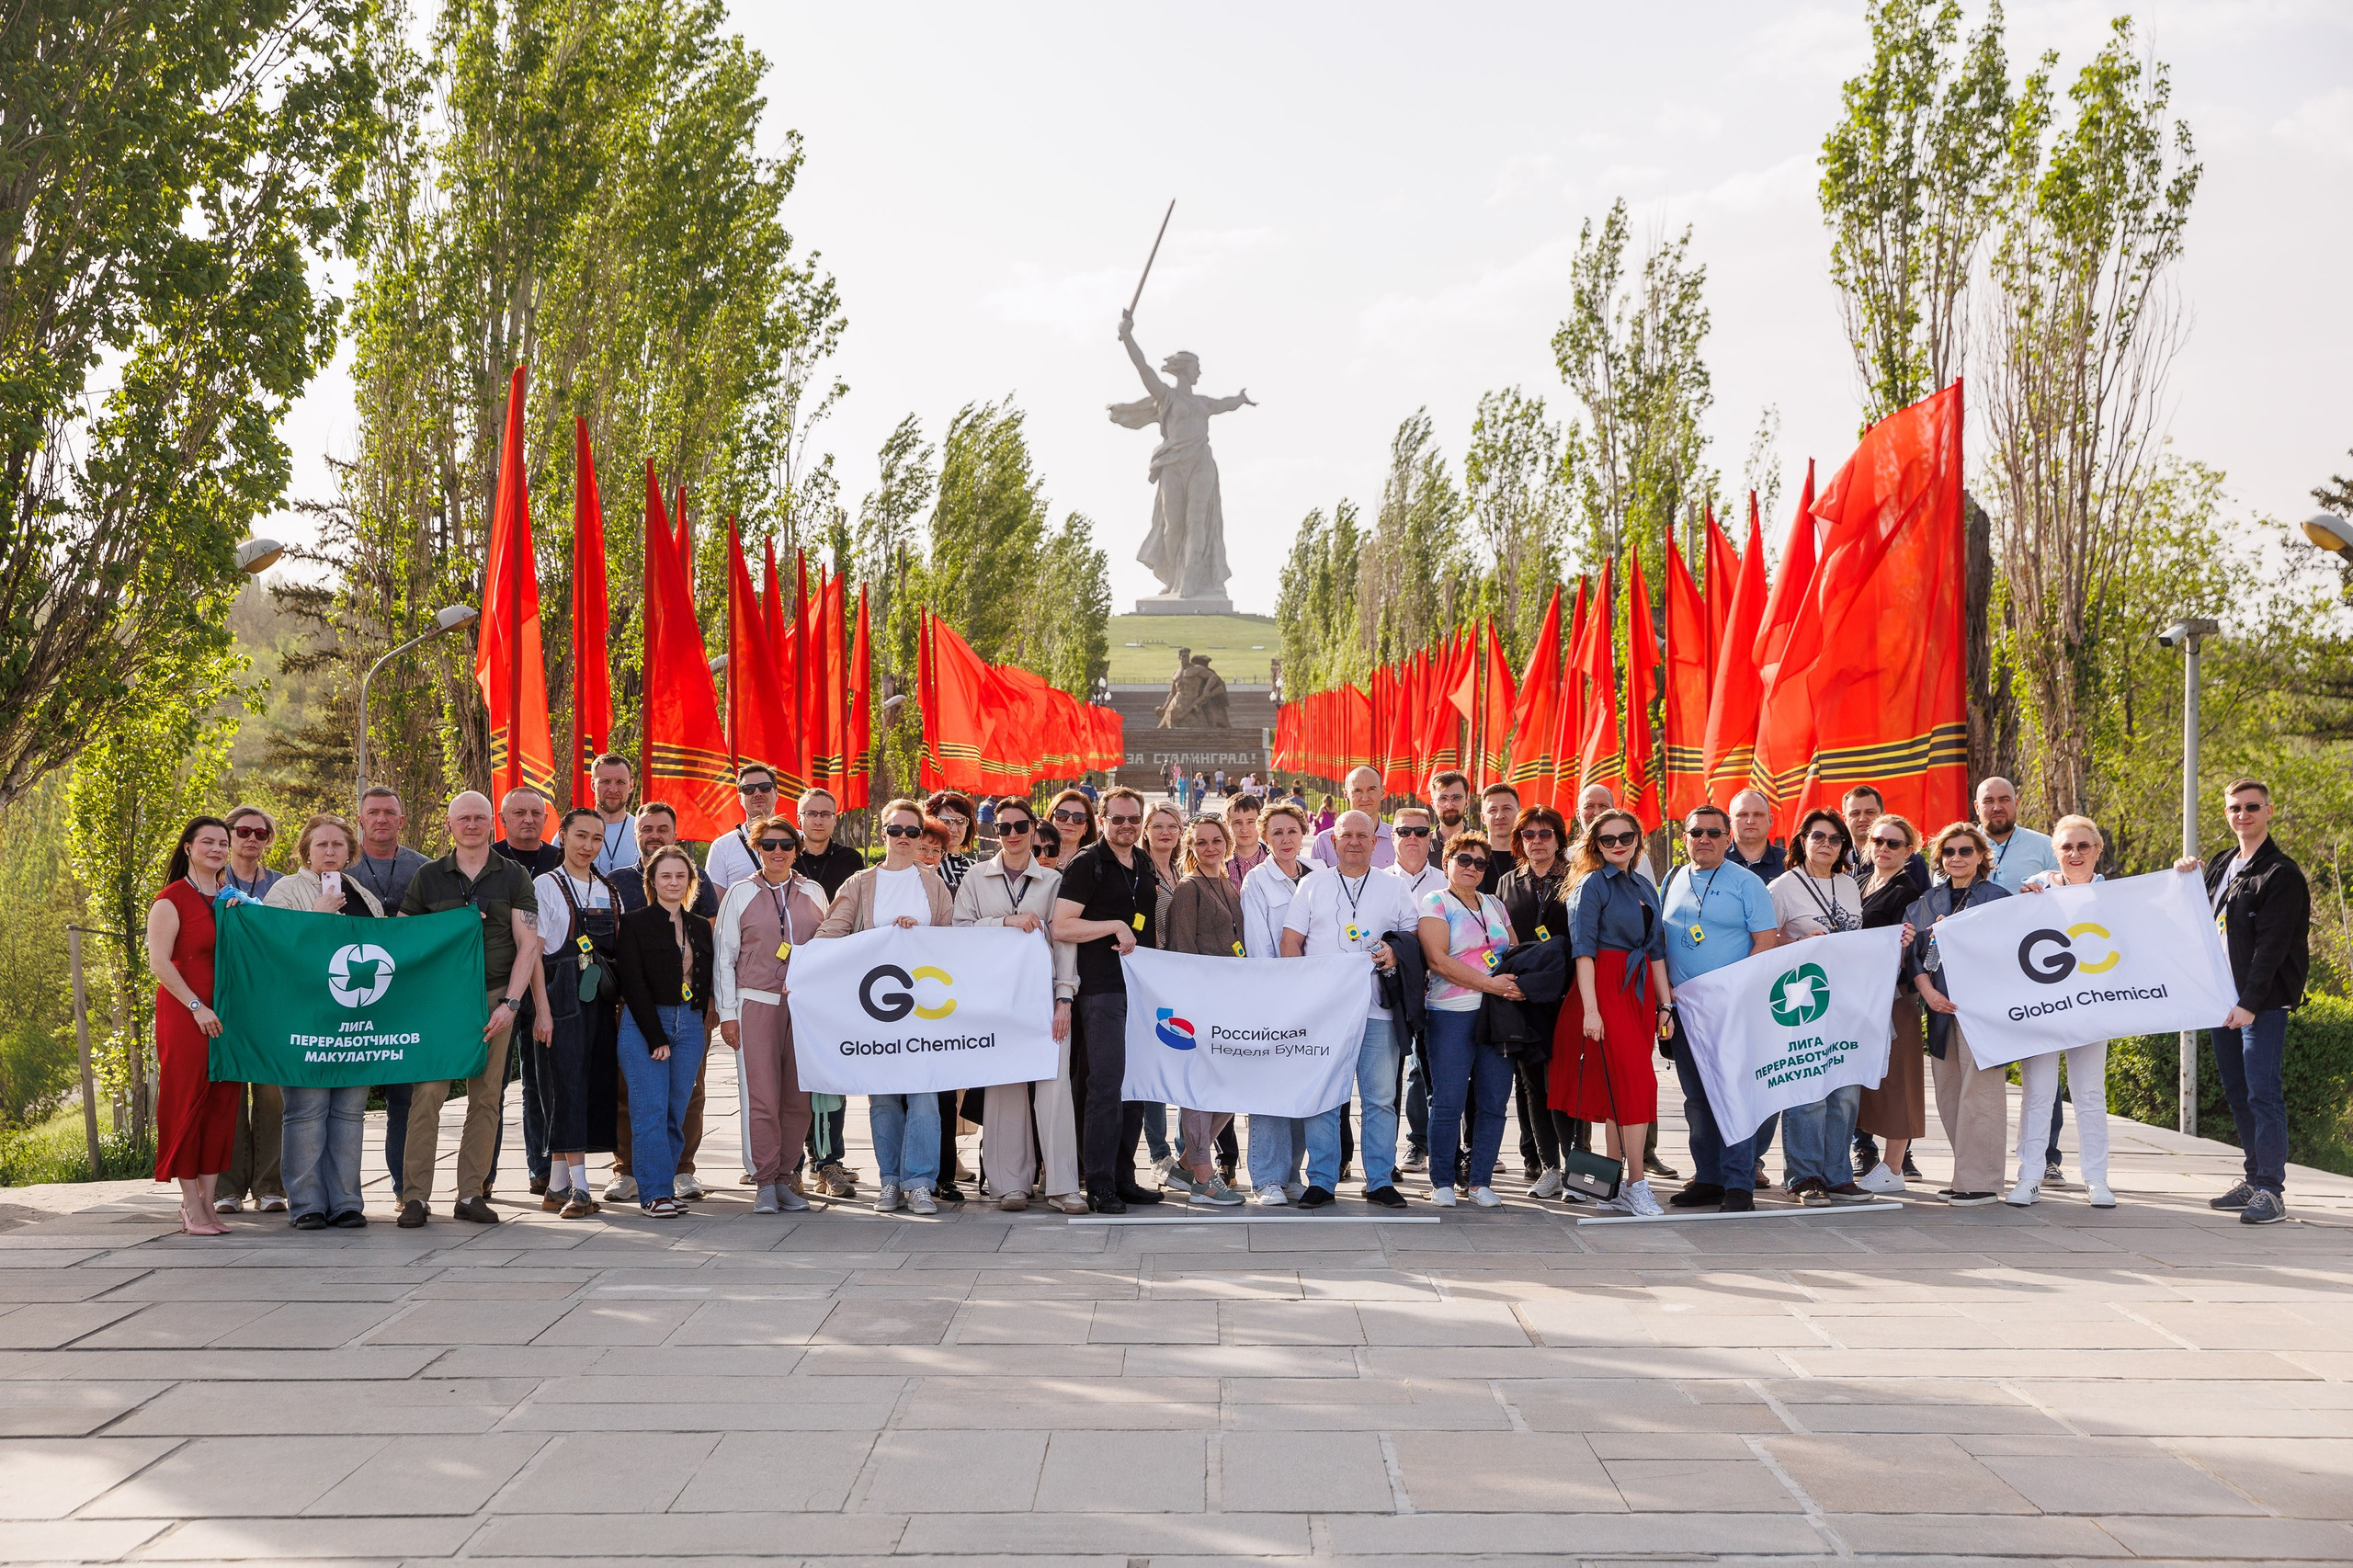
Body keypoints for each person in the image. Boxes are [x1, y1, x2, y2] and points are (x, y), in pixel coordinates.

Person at [395, 791, 543, 1228]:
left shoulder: (514, 876)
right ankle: (415, 1197)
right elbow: (405, 940)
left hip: (495, 998)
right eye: (464, 818)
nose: (473, 825)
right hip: (441, 1006)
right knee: (427, 1097)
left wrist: (512, 1004)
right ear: (450, 824)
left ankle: (470, 1194)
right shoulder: (428, 877)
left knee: (486, 1099)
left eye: (480, 818)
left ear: (492, 823)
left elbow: (528, 944)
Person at [814, 799, 956, 1214]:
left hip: (927, 1012)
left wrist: (920, 938)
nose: (905, 839)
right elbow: (832, 932)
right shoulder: (859, 883)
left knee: (926, 1097)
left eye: (913, 832)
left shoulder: (934, 884)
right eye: (896, 830)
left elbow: (954, 941)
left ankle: (920, 1182)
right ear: (883, 833)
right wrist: (799, 965)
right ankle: (890, 1181)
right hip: (877, 1013)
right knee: (885, 1099)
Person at [2185, 778, 2309, 1226]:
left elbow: (2272, 948)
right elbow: (2194, 916)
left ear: (2269, 811)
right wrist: (2185, 878)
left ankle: (2271, 1191)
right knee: (2238, 1093)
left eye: (2252, 807)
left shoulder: (2281, 874)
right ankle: (2254, 1176)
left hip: (2261, 1003)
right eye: (2235, 808)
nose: (2243, 815)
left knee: (2263, 1094)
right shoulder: (2221, 864)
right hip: (2221, 1000)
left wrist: (2251, 1003)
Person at [953, 797, 1085, 1215]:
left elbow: (1064, 943)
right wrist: (1004, 922)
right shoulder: (976, 878)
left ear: (1033, 829)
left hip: (1043, 999)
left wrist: (1064, 998)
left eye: (1020, 826)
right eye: (1004, 827)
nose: (1012, 834)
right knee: (1004, 1088)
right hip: (995, 1000)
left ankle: (1062, 1184)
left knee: (1054, 1089)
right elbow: (960, 933)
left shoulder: (1053, 881)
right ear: (995, 831)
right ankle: (1010, 1184)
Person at [1283, 810, 1418, 1210]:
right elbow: (1291, 942)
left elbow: (1413, 936)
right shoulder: (1312, 884)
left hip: (1377, 1010)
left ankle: (1379, 1180)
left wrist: (1396, 950)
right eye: (1347, 836)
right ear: (1333, 841)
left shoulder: (1394, 888)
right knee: (1324, 1096)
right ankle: (1322, 1180)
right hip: (1325, 1013)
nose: (1355, 842)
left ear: (1375, 842)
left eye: (1363, 835)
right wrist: (1302, 998)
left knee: (1379, 1098)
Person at [262, 813, 383, 1230]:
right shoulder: (284, 891)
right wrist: (320, 913)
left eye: (337, 845)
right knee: (306, 1110)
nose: (330, 852)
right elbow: (279, 951)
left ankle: (347, 1201)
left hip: (354, 1023)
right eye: (321, 845)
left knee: (349, 1113)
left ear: (350, 852)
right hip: (307, 1022)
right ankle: (307, 1203)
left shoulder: (365, 896)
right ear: (306, 852)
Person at [1658, 804, 1780, 1212]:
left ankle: (1739, 1183)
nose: (1705, 840)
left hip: (1732, 1009)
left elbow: (1765, 942)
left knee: (1734, 1095)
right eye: (1696, 833)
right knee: (1696, 1099)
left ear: (1728, 838)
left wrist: (1738, 992)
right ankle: (1707, 1178)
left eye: (1713, 833)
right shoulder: (1673, 878)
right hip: (1686, 1009)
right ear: (1686, 838)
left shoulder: (1747, 883)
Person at [1051, 787, 1164, 1213]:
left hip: (1139, 989)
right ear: (1103, 819)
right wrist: (1113, 923)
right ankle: (1098, 1183)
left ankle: (1123, 1177)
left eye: (1134, 819)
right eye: (1118, 819)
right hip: (1100, 989)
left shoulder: (1143, 862)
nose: (1127, 826)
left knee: (1133, 1086)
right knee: (1105, 1085)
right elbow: (1061, 926)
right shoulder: (1086, 864)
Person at [1559, 808, 1672, 1217]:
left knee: (1621, 1087)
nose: (1619, 845)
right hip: (1606, 987)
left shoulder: (1644, 883)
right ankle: (1636, 1183)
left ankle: (1611, 1185)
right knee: (1637, 1085)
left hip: (1640, 992)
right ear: (1595, 844)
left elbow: (1656, 949)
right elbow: (1582, 952)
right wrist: (1591, 1010)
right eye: (1608, 839)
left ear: (1637, 840)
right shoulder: (1590, 885)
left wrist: (1665, 1004)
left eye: (1626, 837)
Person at [715, 815, 828, 1214]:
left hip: (803, 1008)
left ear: (796, 849)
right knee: (762, 1095)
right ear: (757, 849)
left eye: (785, 844)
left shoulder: (813, 891)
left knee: (798, 1098)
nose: (777, 851)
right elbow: (725, 957)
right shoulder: (740, 893)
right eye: (768, 845)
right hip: (755, 1003)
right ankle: (763, 1181)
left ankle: (785, 1178)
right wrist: (728, 1013)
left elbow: (829, 949)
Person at [1768, 809, 1874, 1205]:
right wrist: (1795, 945)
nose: (1826, 844)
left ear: (1844, 846)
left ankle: (1838, 1175)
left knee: (1845, 1090)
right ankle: (1804, 1175)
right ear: (1802, 841)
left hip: (1845, 1000)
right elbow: (1763, 943)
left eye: (1834, 839)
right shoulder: (1782, 887)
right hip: (1804, 1000)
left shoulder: (1849, 886)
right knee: (1808, 1089)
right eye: (1818, 837)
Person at [2011, 814, 2116, 1210]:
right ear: (2055, 852)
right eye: (2067, 847)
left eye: (2083, 846)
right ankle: (2029, 1177)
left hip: (2091, 1009)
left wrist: (2184, 874)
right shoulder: (2036, 888)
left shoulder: (2116, 894)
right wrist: (2024, 902)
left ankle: (2096, 1178)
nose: (2075, 854)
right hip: (2044, 1008)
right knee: (2038, 1094)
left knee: (2090, 1094)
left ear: (2097, 850)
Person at [1904, 821, 2010, 1207]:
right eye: (1949, 852)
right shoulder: (1926, 902)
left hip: (1982, 1010)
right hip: (1940, 1007)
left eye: (1966, 850)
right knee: (1950, 1095)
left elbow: (2009, 950)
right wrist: (1928, 992)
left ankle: (1980, 1182)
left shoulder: (1999, 897)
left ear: (1982, 856)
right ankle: (1965, 1174)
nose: (1957, 858)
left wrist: (1962, 931)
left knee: (1980, 1095)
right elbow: (1913, 954)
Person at [1415, 830, 1522, 1207]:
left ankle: (1480, 1181)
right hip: (1451, 1014)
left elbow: (1514, 951)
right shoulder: (1435, 901)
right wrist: (1490, 984)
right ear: (1446, 862)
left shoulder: (1494, 903)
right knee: (1449, 1100)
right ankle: (1442, 1180)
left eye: (1480, 862)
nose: (1472, 867)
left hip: (1497, 1017)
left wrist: (1516, 985)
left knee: (1494, 1100)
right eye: (1464, 859)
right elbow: (1438, 960)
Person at [147, 818, 239, 1235]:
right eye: (208, 842)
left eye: (223, 842)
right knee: (188, 1101)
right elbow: (160, 963)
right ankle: (188, 1204)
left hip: (228, 1016)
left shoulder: (230, 899)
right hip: (187, 1014)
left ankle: (208, 1200)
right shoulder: (170, 900)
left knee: (223, 1103)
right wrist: (197, 1005)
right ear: (188, 847)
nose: (217, 849)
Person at [530, 808, 623, 1219]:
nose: (588, 846)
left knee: (592, 1086)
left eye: (597, 839)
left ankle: (556, 1185)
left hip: (600, 997)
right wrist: (542, 1011)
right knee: (565, 1085)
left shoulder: (610, 889)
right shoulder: (545, 886)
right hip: (561, 995)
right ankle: (582, 1188)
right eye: (580, 836)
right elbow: (533, 954)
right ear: (562, 837)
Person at [612, 845, 713, 1217]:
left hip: (688, 1024)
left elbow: (706, 978)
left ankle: (666, 1185)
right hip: (644, 1024)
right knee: (649, 1110)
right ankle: (653, 1193)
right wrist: (655, 1036)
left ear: (690, 882)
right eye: (665, 876)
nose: (673, 882)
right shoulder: (635, 922)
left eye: (680, 876)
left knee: (676, 1109)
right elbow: (632, 983)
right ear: (652, 881)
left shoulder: (700, 926)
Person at [1495, 803, 1585, 1199]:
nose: (1537, 842)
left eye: (1545, 834)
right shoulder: (1507, 883)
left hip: (1568, 996)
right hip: (1525, 997)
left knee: (1569, 1084)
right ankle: (1549, 1167)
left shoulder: (1580, 879)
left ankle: (1579, 1170)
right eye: (1529, 835)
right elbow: (1503, 942)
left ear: (1559, 839)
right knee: (1534, 1086)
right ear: (1519, 841)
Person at [1159, 815, 1247, 1207]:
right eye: (1200, 843)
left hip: (1230, 1001)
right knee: (1200, 1091)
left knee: (1232, 1090)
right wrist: (1193, 1007)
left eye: (1216, 840)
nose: (1209, 848)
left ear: (1226, 843)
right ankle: (1203, 1180)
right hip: (1200, 1004)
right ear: (1191, 848)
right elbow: (1181, 950)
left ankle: (1184, 1165)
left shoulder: (1228, 884)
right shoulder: (1188, 889)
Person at [351, 787, 429, 1195]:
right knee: (346, 1102)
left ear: (402, 821)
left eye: (390, 812)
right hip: (350, 1000)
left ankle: (404, 1188)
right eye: (373, 812)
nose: (381, 819)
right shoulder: (339, 867)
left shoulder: (426, 870)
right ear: (360, 820)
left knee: (404, 1099)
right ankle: (342, 1192)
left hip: (405, 1002)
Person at [1238, 801, 1314, 1204]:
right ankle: (1266, 1178)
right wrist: (1278, 994)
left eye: (1292, 832)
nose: (1286, 840)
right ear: (1265, 839)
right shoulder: (1257, 880)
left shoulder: (1319, 875)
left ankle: (1291, 1173)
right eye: (1277, 833)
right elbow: (1258, 946)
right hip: (1275, 996)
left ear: (1303, 835)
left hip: (1315, 999)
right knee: (1269, 1088)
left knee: (1302, 1086)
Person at [213, 803, 286, 1214]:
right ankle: (227, 1188)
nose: (251, 840)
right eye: (243, 832)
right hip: (224, 1000)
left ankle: (270, 1186)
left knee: (273, 1097)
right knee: (229, 1096)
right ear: (229, 836)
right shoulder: (209, 882)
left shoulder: (279, 886)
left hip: (271, 1003)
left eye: (261, 834)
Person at [1854, 813, 1931, 1197]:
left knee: (1897, 1077)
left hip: (1894, 996)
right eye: (1879, 841)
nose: (1884, 849)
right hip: (1859, 996)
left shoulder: (1909, 892)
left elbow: (1915, 948)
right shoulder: (1860, 883)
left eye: (1894, 843)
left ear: (1909, 851)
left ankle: (1894, 1166)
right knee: (1865, 1079)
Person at [1385, 802, 1444, 1174]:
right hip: (1391, 994)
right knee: (1387, 1076)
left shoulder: (1447, 881)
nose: (1412, 838)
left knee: (1429, 1072)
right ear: (1392, 838)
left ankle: (1424, 1145)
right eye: (1404, 831)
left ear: (1430, 838)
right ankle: (1382, 1156)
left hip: (1437, 989)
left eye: (1420, 832)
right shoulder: (1377, 880)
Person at [700, 764, 784, 892]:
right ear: (740, 798)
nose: (757, 793)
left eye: (765, 787)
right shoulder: (722, 847)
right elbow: (716, 906)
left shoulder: (799, 840)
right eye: (748, 789)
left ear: (776, 794)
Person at [1975, 776, 2058, 892]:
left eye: (2004, 800)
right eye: (1988, 801)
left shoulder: (2045, 846)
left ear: (2016, 803)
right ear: (1977, 807)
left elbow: (2062, 894)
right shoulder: (1957, 849)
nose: (1997, 808)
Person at [1574, 784, 1657, 883]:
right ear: (1578, 815)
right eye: (1589, 806)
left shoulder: (1637, 857)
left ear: (1613, 810)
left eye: (1603, 805)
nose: (1597, 812)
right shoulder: (1568, 857)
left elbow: (1649, 896)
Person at [794, 788, 865, 897]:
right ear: (799, 819)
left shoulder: (851, 859)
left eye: (825, 815)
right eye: (811, 814)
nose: (818, 822)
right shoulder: (784, 857)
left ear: (835, 820)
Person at [587, 754, 641, 874]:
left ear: (631, 785)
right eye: (605, 782)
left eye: (620, 782)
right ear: (593, 785)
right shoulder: (572, 829)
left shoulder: (644, 831)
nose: (613, 789)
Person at [493, 788, 563, 876]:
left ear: (545, 819)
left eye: (535, 813)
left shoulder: (562, 860)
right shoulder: (487, 858)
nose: (529, 820)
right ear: (503, 819)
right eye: (520, 813)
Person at [925, 791, 980, 890]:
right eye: (946, 821)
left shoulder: (977, 869)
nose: (954, 829)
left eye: (960, 822)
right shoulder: (925, 863)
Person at [1726, 789, 1786, 879]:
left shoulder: (1790, 862)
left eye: (1758, 815)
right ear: (1730, 821)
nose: (1750, 821)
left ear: (1770, 820)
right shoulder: (1715, 861)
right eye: (1742, 815)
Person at [1477, 783, 1521, 894]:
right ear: (1483, 818)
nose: (1500, 816)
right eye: (1493, 810)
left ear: (1520, 813)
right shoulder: (1471, 861)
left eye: (1507, 808)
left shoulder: (1532, 859)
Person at [1224, 793, 1269, 889]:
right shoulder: (1218, 865)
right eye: (1237, 823)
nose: (1244, 829)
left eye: (1250, 822)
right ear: (1226, 826)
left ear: (1260, 824)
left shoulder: (1275, 862)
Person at [1427, 770, 1472, 836]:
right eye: (1443, 799)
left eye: (1456, 798)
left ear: (1466, 802)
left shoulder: (1481, 844)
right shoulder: (1423, 845)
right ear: (1433, 805)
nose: (1449, 806)